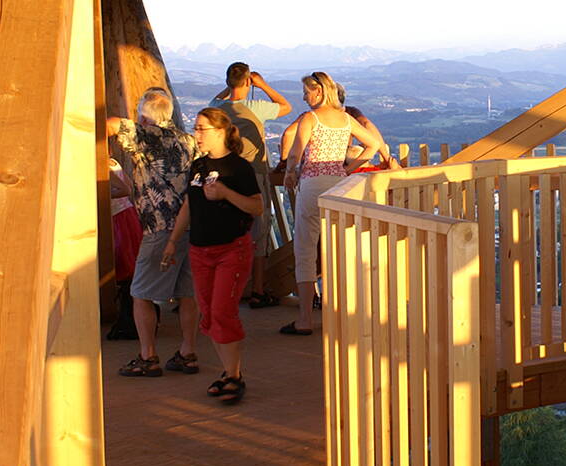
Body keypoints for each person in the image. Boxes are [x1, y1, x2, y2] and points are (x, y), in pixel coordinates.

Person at [161, 108, 264, 405]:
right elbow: (189, 206)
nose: (197, 133)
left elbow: (256, 207)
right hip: (200, 249)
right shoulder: (197, 166)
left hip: (231, 248)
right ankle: (229, 372)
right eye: (196, 128)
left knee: (222, 311)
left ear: (220, 132)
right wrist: (172, 241)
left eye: (202, 129)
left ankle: (233, 375)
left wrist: (225, 194)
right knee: (209, 313)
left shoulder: (238, 168)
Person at [282, 71, 394, 336]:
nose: (304, 96)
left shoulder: (311, 118)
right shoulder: (345, 119)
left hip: (312, 183)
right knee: (340, 249)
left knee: (306, 250)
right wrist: (348, 166)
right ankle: (345, 315)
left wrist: (289, 171)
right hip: (338, 185)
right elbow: (374, 144)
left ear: (319, 92)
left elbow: (296, 152)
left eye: (307, 91)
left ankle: (305, 319)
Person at [109, 89, 200, 378]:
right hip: (189, 224)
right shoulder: (188, 141)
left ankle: (147, 356)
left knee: (140, 293)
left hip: (159, 226)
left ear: (144, 115)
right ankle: (188, 352)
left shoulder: (147, 136)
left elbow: (111, 123)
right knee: (187, 294)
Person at [213, 62, 292, 308]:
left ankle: (228, 290)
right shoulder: (256, 108)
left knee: (228, 233)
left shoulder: (218, 107)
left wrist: (230, 90)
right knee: (257, 234)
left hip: (226, 175)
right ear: (248, 82)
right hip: (254, 175)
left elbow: (215, 99)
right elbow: (285, 107)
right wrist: (262, 84)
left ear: (228, 82)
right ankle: (257, 289)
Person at [106, 163, 142, 341]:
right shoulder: (114, 162)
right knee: (129, 265)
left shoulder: (105, 165)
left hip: (118, 216)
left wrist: (101, 195)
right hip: (127, 213)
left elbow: (124, 189)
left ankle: (129, 316)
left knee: (123, 266)